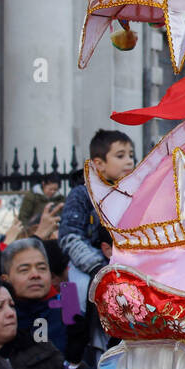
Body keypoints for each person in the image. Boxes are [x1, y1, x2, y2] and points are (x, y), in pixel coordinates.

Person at [59, 129, 135, 309]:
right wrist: (97, 267)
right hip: (88, 266)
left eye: (131, 155)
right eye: (120, 155)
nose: (129, 161)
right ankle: (74, 331)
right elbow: (69, 236)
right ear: (99, 163)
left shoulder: (133, 195)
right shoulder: (82, 194)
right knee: (74, 293)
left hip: (127, 266)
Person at [0, 238, 67, 355]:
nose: (35, 275)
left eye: (42, 268)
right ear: (6, 279)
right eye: (24, 270)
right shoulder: (0, 321)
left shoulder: (68, 306)